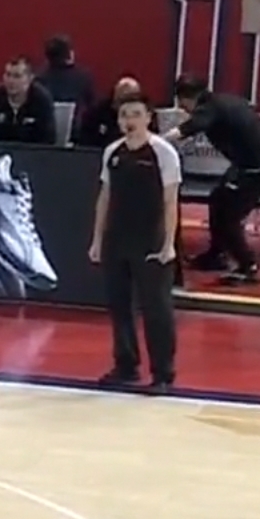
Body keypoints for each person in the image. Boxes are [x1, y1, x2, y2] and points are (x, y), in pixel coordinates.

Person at [92, 94, 183, 393]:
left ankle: (163, 373)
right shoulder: (113, 152)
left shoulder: (163, 153)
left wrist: (169, 243)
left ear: (148, 117)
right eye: (124, 115)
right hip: (117, 238)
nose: (129, 120)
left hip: (150, 239)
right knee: (119, 305)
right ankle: (126, 365)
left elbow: (171, 201)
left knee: (156, 308)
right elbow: (105, 197)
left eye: (135, 114)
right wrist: (97, 240)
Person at [166, 79, 260, 286]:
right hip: (251, 163)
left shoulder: (209, 109)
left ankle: (248, 266)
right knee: (218, 199)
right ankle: (217, 254)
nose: (184, 110)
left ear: (188, 98)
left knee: (229, 215)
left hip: (258, 167)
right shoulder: (223, 101)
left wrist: (157, 141)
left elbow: (191, 127)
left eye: (183, 104)